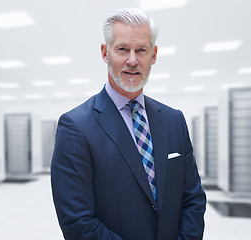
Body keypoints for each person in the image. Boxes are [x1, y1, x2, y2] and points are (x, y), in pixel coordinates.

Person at [51, 8, 206, 240]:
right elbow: (78, 222)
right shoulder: (76, 127)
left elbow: (192, 199)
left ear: (153, 55)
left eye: (141, 50)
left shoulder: (174, 121)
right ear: (105, 53)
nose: (132, 60)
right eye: (122, 49)